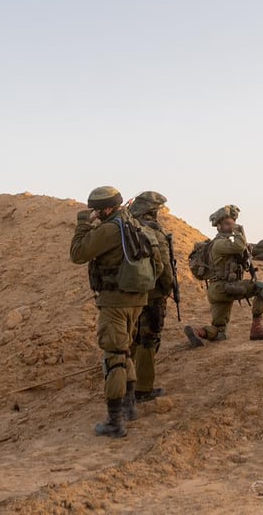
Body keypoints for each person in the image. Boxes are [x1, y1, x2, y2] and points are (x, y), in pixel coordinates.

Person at [69, 185, 160, 438]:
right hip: (137, 300)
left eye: (97, 210)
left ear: (106, 209)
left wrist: (82, 223)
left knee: (114, 357)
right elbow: (158, 263)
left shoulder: (110, 229)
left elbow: (77, 253)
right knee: (125, 350)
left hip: (115, 301)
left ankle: (115, 420)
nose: (95, 213)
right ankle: (130, 407)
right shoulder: (134, 224)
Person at [185, 205, 263, 343]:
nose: (232, 227)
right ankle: (257, 329)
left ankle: (198, 332)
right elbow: (239, 246)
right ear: (219, 226)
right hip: (225, 288)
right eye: (228, 224)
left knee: (220, 333)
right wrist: (239, 232)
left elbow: (243, 259)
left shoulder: (221, 244)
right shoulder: (219, 244)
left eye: (233, 224)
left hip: (217, 290)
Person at [127, 191, 175, 402]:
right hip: (152, 293)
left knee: (130, 338)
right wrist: (168, 287)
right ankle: (143, 388)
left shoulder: (125, 229)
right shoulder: (153, 231)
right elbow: (163, 265)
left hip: (127, 294)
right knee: (148, 337)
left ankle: (125, 384)